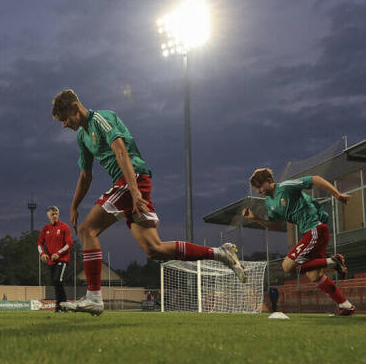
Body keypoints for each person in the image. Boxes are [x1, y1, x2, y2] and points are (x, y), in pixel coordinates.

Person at [51, 89, 245, 316]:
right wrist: (74, 205)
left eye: (65, 119)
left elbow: (121, 152)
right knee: (154, 249)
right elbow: (86, 176)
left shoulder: (101, 119)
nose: (64, 125)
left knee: (87, 230)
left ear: (75, 108)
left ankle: (94, 297)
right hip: (129, 183)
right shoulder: (82, 137)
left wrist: (134, 192)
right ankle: (220, 253)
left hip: (131, 179)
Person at [242, 168, 356, 316]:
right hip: (311, 232)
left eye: (259, 186)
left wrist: (337, 194)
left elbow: (315, 178)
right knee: (315, 276)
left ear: (269, 181)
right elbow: (275, 224)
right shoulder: (269, 202)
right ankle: (346, 306)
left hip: (315, 229)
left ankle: (334, 261)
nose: (258, 191)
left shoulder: (286, 187)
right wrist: (256, 219)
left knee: (287, 266)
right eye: (256, 188)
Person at [38, 205, 73, 312]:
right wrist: (42, 254)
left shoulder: (64, 227)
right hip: (51, 261)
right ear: (48, 216)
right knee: (56, 282)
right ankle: (61, 306)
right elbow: (39, 243)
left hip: (62, 259)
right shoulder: (46, 229)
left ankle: (61, 305)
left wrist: (58, 253)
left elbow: (69, 244)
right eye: (52, 214)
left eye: (56, 213)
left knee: (58, 279)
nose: (54, 216)